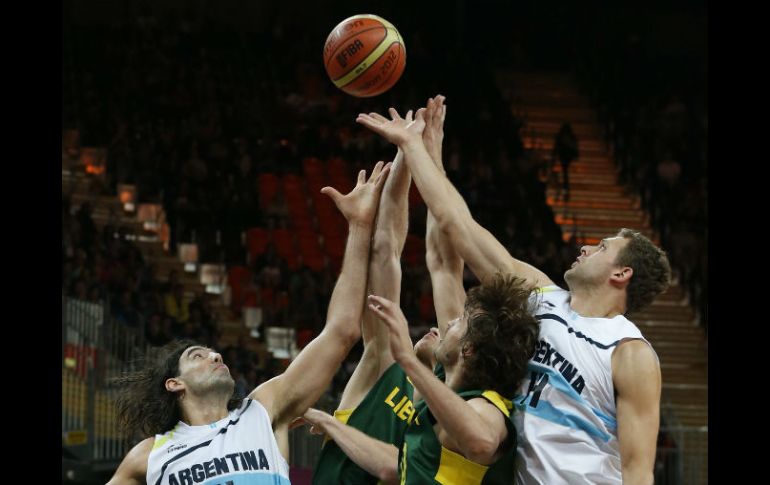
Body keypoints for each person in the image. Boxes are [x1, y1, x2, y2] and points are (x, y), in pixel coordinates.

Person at [356, 96, 671, 485]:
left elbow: (639, 473)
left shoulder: (629, 353)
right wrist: (419, 148)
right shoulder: (541, 297)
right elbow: (458, 226)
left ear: (622, 273)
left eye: (602, 248)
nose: (586, 248)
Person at [105, 162, 392, 485]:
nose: (216, 357)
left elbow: (342, 331)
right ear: (174, 384)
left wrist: (358, 225)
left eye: (213, 353)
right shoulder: (148, 457)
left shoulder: (263, 410)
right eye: (197, 356)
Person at [302, 98, 540, 484]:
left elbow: (476, 441)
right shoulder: (413, 384)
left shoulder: (480, 404)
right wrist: (420, 154)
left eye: (459, 323)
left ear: (469, 349)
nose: (446, 322)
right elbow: (426, 260)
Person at [308, 103, 466, 484]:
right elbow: (386, 249)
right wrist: (408, 154)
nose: (437, 328)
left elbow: (392, 468)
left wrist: (329, 423)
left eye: (453, 329)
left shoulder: (460, 410)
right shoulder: (386, 366)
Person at [553, 122, 579, 201]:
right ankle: (563, 192)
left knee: (564, 175)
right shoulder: (566, 137)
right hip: (564, 158)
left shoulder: (563, 137)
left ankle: (564, 192)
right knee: (563, 175)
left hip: (565, 158)